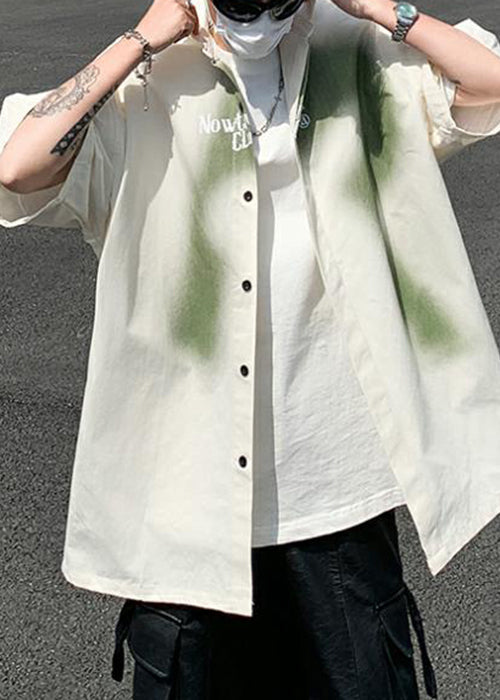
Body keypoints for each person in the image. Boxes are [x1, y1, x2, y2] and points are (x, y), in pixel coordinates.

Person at [1, 0, 499, 697]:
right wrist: (142, 37)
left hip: (333, 486)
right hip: (187, 494)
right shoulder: (146, 82)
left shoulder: (353, 49)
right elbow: (18, 168)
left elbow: (489, 81)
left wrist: (377, 8)